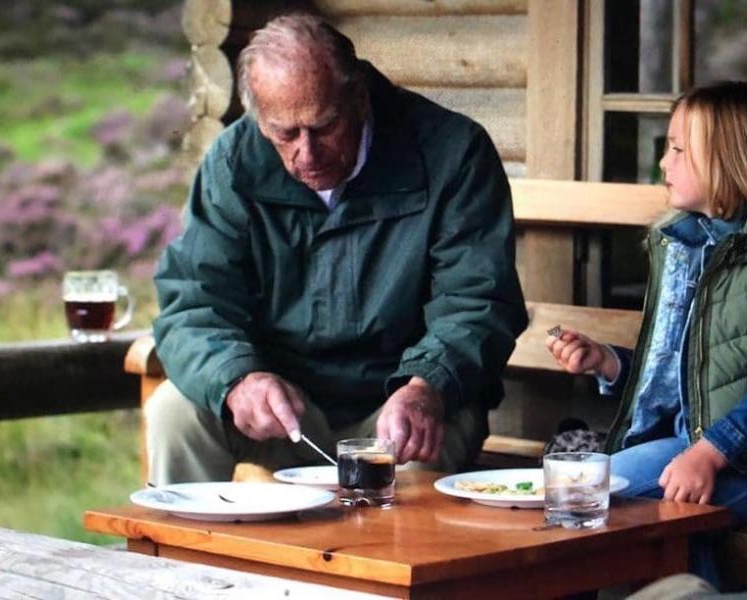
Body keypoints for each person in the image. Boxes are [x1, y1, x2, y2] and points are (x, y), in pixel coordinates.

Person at [146, 13, 527, 484]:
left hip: (403, 403)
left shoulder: (454, 152)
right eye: (286, 133)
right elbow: (194, 301)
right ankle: (178, 558)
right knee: (174, 413)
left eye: (324, 126)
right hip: (285, 408)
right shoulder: (233, 161)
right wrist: (238, 379)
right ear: (260, 118)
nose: (307, 153)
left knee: (412, 460)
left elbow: (478, 303)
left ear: (359, 98)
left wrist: (429, 385)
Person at [546, 81, 747, 587]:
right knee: (573, 491)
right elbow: (690, 370)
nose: (663, 165)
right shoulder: (691, 248)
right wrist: (609, 362)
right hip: (692, 450)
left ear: (727, 159)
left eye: (676, 149)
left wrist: (709, 454)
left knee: (606, 502)